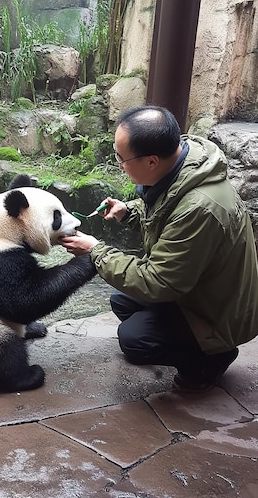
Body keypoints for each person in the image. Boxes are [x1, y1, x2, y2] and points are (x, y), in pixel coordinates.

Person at [61, 105, 258, 391]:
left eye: (121, 158)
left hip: (221, 314)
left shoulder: (201, 207)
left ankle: (211, 358)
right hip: (198, 291)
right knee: (121, 300)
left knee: (134, 339)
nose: (119, 165)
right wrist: (127, 213)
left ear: (152, 161)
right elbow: (163, 211)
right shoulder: (181, 162)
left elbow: (158, 282)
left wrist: (95, 250)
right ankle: (183, 338)